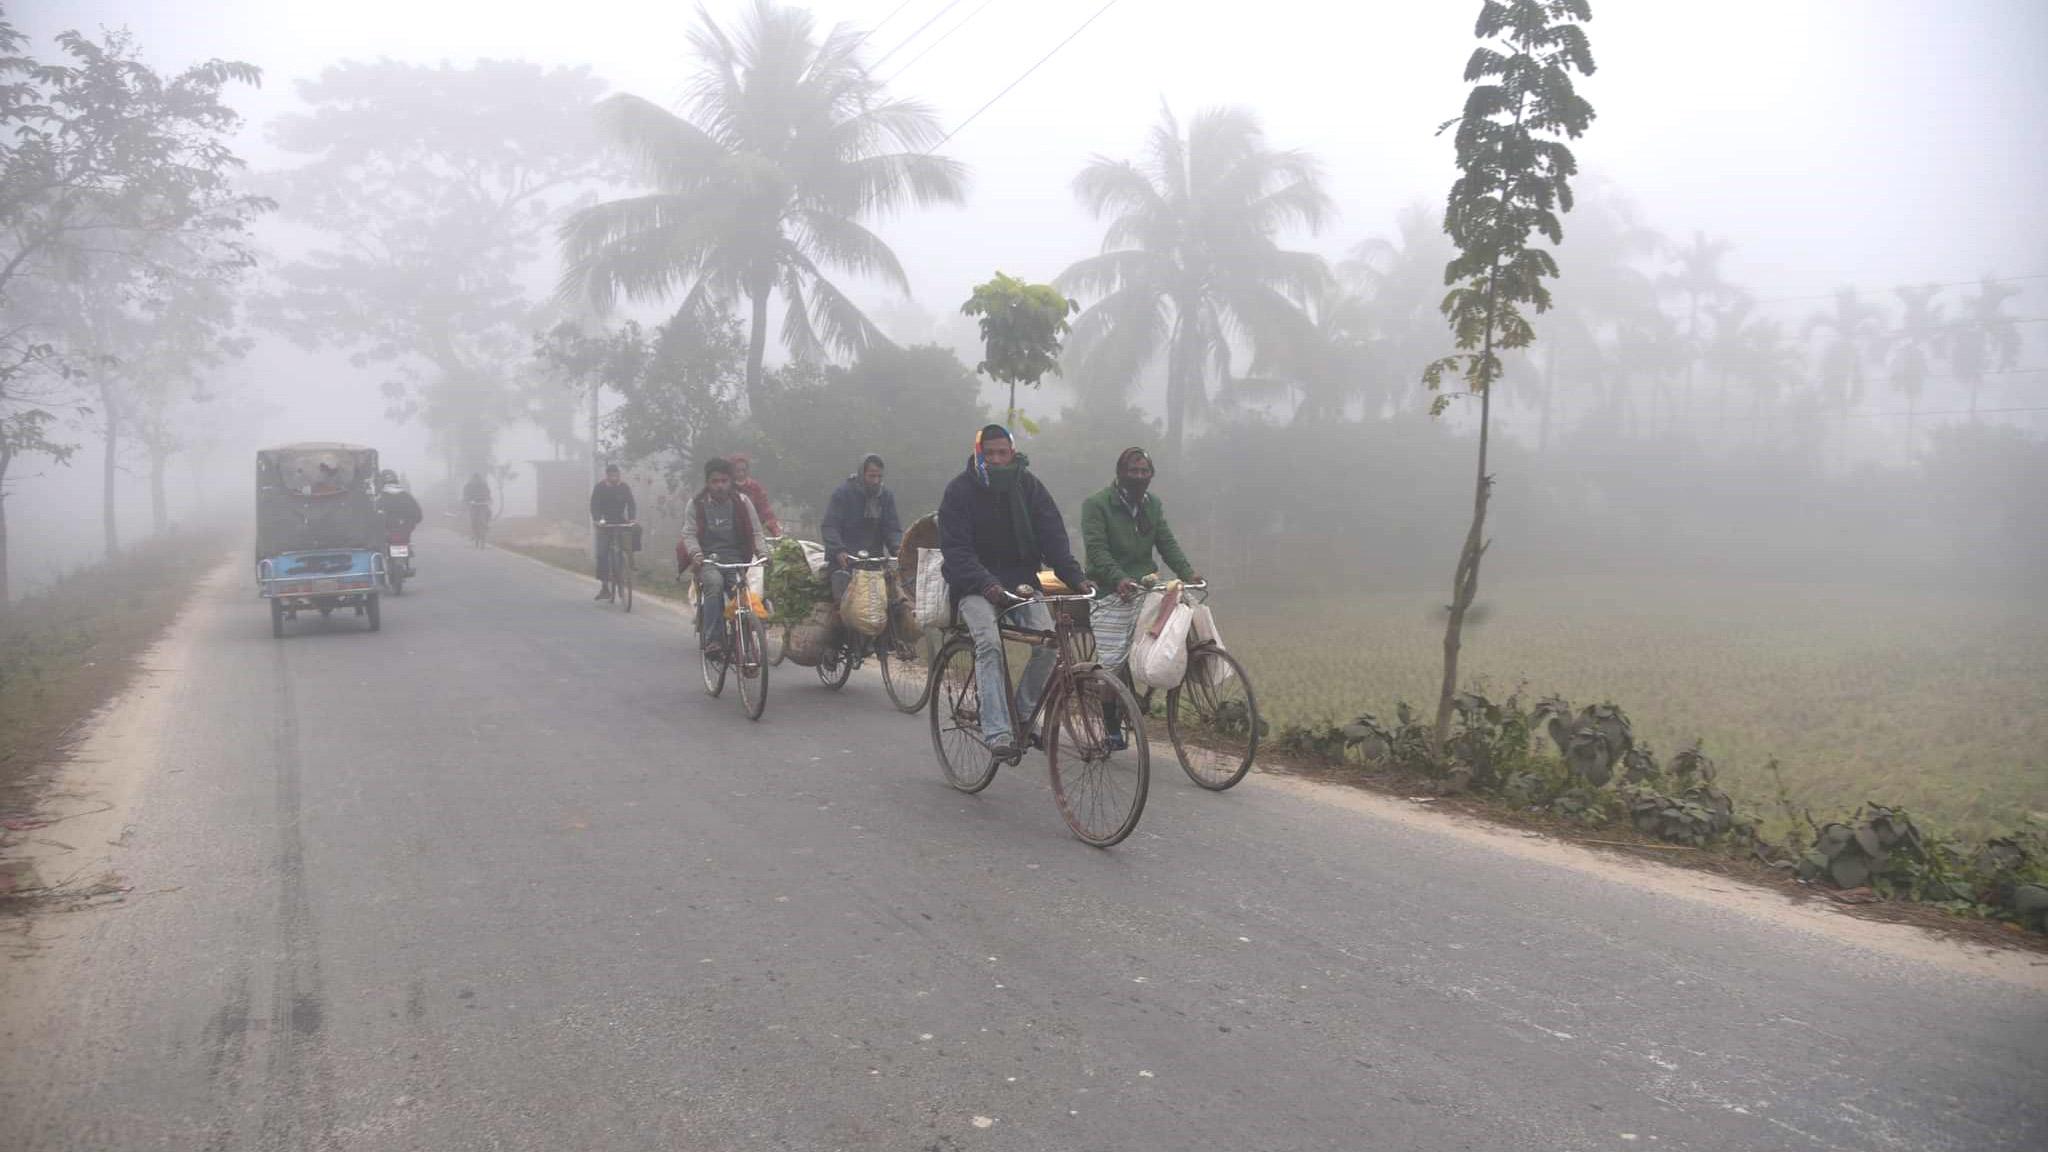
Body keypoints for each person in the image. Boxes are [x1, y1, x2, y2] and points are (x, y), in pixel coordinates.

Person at [938, 424, 1093, 759]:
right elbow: (957, 551)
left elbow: (1053, 538)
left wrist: (1076, 578)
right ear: (979, 453)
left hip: (1022, 582)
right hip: (974, 586)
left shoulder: (1029, 487)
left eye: (1002, 452)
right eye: (989, 453)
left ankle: (1022, 712)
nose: (996, 459)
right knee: (990, 645)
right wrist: (986, 584)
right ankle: (997, 733)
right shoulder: (960, 491)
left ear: (1012, 453)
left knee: (1050, 643)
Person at [1081, 446, 1199, 748]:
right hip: (1110, 590)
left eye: (1144, 471)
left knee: (1170, 634)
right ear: (1120, 473)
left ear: (1151, 475)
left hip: (1146, 586)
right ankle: (1110, 727)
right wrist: (1118, 577)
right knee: (1112, 664)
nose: (1139, 476)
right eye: (1133, 471)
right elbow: (1096, 551)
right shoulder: (1097, 504)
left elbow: (1166, 542)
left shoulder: (1152, 505)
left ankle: (1142, 692)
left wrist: (1187, 572)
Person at [680, 457, 764, 656]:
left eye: (724, 481)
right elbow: (689, 533)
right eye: (715, 481)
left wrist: (763, 553)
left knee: (743, 596)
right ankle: (714, 640)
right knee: (714, 584)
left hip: (736, 559)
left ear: (730, 481)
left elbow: (756, 531)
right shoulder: (696, 504)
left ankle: (745, 645)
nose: (720, 486)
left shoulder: (742, 502)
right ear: (708, 483)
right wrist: (696, 553)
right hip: (709, 560)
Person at [821, 454, 903, 602]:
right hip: (846, 560)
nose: (875, 481)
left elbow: (891, 527)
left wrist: (897, 548)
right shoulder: (843, 493)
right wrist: (838, 550)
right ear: (862, 474)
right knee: (841, 600)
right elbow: (830, 525)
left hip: (874, 560)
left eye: (879, 476)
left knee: (890, 601)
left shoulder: (885, 497)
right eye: (871, 476)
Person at [588, 464, 638, 601]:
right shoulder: (600, 488)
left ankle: (630, 564)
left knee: (635, 534)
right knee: (602, 554)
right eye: (612, 475)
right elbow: (594, 505)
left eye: (617, 475)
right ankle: (605, 587)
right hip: (604, 524)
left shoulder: (624, 487)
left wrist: (632, 517)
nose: (615, 478)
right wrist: (597, 519)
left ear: (619, 475)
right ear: (607, 476)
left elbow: (631, 503)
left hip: (620, 521)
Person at [726, 451, 783, 537]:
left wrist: (776, 530)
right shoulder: (724, 487)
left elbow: (765, 512)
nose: (741, 473)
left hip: (750, 535)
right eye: (737, 470)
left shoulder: (754, 488)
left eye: (744, 470)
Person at [461, 472, 492, 540]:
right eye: (475, 479)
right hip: (473, 505)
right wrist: (467, 500)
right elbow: (465, 494)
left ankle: (486, 525)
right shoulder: (468, 486)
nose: (476, 480)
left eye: (477, 479)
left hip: (482, 504)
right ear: (472, 479)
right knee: (473, 519)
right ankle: (475, 534)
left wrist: (489, 499)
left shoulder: (483, 485)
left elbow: (488, 493)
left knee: (488, 513)